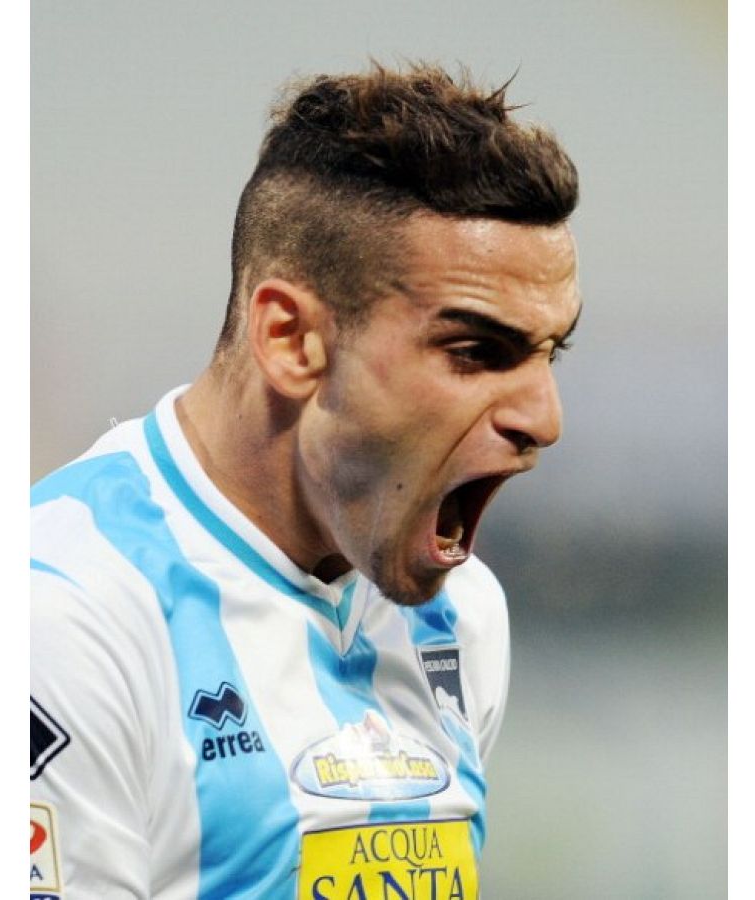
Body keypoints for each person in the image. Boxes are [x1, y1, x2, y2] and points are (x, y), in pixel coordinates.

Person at [30, 62, 582, 899]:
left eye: (549, 352)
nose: (544, 417)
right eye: (476, 351)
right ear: (291, 341)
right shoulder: (66, 619)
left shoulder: (461, 615)